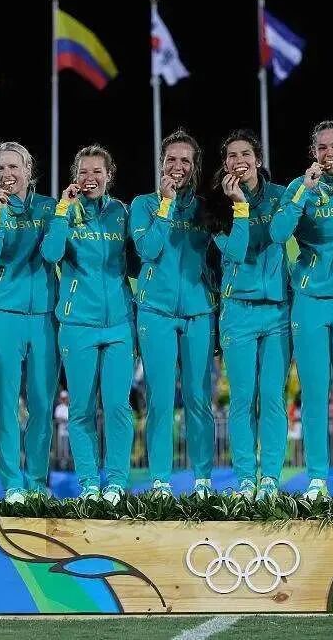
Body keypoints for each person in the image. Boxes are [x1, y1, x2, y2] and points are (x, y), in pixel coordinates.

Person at [270, 120, 333, 500]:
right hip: (311, 303)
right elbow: (279, 233)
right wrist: (303, 192)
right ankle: (316, 478)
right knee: (314, 394)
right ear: (313, 153)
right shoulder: (301, 187)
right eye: (323, 147)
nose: (330, 154)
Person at [41, 144, 135, 505]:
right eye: (83, 171)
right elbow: (51, 254)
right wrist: (62, 211)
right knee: (81, 409)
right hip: (78, 323)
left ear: (109, 176)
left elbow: (141, 256)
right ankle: (89, 485)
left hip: (119, 324)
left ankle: (116, 484)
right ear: (74, 176)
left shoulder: (121, 213)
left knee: (117, 407)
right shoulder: (65, 212)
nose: (90, 178)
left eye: (97, 171)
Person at [203, 129, 289, 500]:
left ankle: (269, 479)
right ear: (225, 164)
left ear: (258, 159)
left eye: (246, 154)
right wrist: (238, 205)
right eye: (232, 156)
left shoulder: (280, 195)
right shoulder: (214, 206)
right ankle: (244, 480)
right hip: (237, 311)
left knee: (272, 398)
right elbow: (236, 252)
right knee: (241, 399)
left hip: (277, 312)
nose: (240, 161)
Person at [130, 129, 216, 498]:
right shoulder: (143, 205)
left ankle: (203, 481)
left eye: (185, 160)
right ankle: (161, 482)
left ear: (195, 166)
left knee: (199, 399)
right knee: (160, 400)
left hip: (198, 312)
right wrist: (165, 206)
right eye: (171, 159)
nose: (177, 166)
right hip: (156, 313)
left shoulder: (205, 207)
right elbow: (148, 251)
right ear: (161, 164)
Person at [0, 142, 60, 504]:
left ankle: (37, 483)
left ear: (28, 170)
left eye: (13, 167)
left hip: (44, 317)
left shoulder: (50, 207)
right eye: (0, 169)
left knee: (41, 404)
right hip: (3, 314)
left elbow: (54, 254)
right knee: (7, 403)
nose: (7, 175)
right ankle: (12, 485)